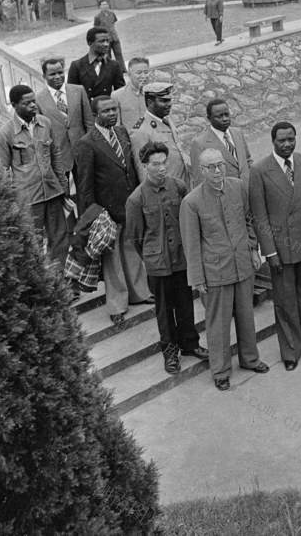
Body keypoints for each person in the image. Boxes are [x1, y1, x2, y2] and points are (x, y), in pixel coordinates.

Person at [181, 149, 269, 391]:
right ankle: (220, 371)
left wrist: (253, 250)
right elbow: (191, 244)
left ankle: (250, 359)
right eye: (211, 167)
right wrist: (197, 278)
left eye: (221, 165)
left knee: (246, 317)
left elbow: (249, 220)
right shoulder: (191, 202)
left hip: (242, 266)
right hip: (215, 273)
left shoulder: (238, 187)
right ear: (201, 170)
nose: (218, 171)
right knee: (218, 324)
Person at [248, 122, 301, 370]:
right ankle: (290, 351)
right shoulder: (260, 170)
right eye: (281, 140)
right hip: (280, 248)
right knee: (285, 301)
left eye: (291, 139)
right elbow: (259, 216)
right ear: (272, 141)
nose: (287, 144)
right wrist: (270, 252)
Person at [124, 141, 208, 374]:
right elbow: (135, 238)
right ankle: (170, 353)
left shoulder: (179, 187)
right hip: (157, 265)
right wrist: (153, 257)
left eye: (164, 163)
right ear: (145, 166)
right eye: (156, 164)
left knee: (185, 303)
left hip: (181, 259)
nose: (162, 168)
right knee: (164, 310)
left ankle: (191, 344)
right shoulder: (136, 199)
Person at [75, 97, 152, 324]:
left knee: (131, 251)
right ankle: (117, 305)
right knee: (112, 260)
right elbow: (85, 185)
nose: (112, 113)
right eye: (106, 111)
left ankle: (140, 293)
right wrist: (92, 215)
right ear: (95, 115)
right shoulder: (86, 143)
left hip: (128, 205)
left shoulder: (121, 132)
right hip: (106, 211)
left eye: (114, 109)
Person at [0, 85, 69, 266]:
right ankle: (42, 288)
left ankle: (61, 286)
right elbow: (2, 171)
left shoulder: (45, 123)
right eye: (26, 103)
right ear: (14, 105)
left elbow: (55, 155)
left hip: (52, 193)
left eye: (33, 101)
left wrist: (63, 186)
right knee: (32, 243)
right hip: (28, 199)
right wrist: (10, 202)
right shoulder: (5, 134)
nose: (33, 106)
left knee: (60, 240)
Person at [34, 56, 93, 188]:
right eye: (52, 74)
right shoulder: (38, 99)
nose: (57, 76)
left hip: (81, 152)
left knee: (86, 191)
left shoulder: (78, 90)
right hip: (59, 156)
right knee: (63, 194)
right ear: (44, 76)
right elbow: (41, 133)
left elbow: (89, 122)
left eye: (60, 72)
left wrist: (91, 147)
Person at [129, 82, 190, 187]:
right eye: (163, 101)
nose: (169, 104)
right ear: (150, 102)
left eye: (169, 100)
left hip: (183, 185)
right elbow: (144, 172)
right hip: (167, 191)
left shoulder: (166, 120)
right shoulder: (141, 131)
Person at [189, 98, 253, 187]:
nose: (225, 119)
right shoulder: (200, 144)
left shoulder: (238, 133)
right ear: (209, 118)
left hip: (248, 189)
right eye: (219, 116)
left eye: (227, 115)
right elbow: (200, 180)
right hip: (225, 195)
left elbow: (248, 161)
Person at [68, 27, 125, 101]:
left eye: (107, 41)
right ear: (90, 43)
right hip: (87, 110)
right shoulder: (77, 66)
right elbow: (72, 95)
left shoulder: (114, 65)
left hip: (107, 109)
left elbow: (121, 93)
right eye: (101, 41)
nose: (106, 44)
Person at [112, 57, 153, 131]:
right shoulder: (117, 96)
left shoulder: (156, 92)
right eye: (139, 72)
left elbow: (167, 121)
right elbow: (117, 126)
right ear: (129, 74)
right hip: (131, 140)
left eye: (146, 72)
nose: (144, 76)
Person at [93, 0, 125, 68]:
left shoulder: (112, 14)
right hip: (105, 40)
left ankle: (122, 69)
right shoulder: (97, 17)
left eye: (106, 4)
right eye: (103, 5)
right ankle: (109, 71)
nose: (105, 6)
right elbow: (96, 28)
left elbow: (113, 23)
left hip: (115, 37)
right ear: (100, 7)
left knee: (119, 54)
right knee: (107, 56)